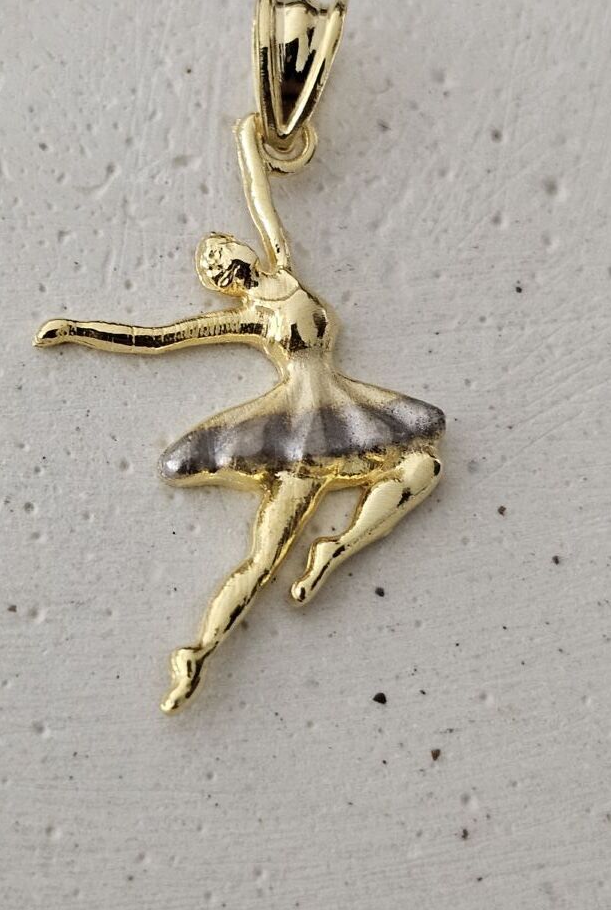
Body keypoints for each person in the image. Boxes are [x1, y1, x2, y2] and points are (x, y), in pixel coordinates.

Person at [34, 114, 444, 712]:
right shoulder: (248, 316)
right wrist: (77, 329)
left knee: (424, 468)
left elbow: (260, 195)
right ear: (223, 282)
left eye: (224, 249)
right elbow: (155, 337)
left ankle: (336, 549)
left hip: (344, 406)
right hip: (293, 427)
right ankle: (198, 652)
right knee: (262, 560)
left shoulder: (284, 267)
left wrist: (250, 139)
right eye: (217, 265)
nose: (226, 258)